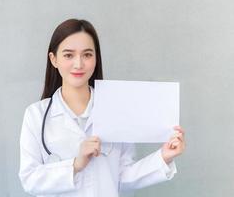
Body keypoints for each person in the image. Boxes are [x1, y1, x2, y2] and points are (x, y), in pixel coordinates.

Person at [18, 18, 185, 197]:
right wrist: (75, 165)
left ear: (96, 58)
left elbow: (122, 177)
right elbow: (29, 179)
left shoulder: (115, 110)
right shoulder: (36, 115)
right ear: (54, 59)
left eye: (87, 54)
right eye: (68, 55)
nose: (78, 64)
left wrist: (164, 156)